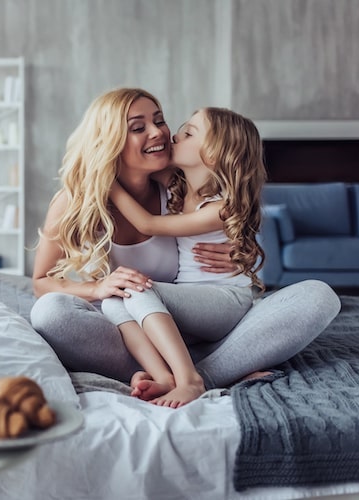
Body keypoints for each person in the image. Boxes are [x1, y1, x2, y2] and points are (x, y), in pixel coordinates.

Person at [30, 88, 340, 396]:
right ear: (110, 141)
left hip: (200, 318)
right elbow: (41, 282)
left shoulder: (179, 183)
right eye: (138, 127)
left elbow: (233, 213)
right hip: (134, 332)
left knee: (318, 296)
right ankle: (203, 371)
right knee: (50, 313)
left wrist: (241, 253)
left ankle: (190, 376)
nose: (160, 133)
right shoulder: (76, 201)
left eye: (160, 120)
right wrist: (96, 289)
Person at [100, 107, 266, 408]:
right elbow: (134, 162)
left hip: (224, 302)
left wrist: (108, 184)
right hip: (190, 303)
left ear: (214, 155)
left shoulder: (220, 208)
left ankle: (190, 380)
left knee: (137, 289)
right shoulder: (179, 184)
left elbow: (147, 224)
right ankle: (163, 375)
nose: (174, 135)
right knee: (113, 297)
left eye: (188, 133)